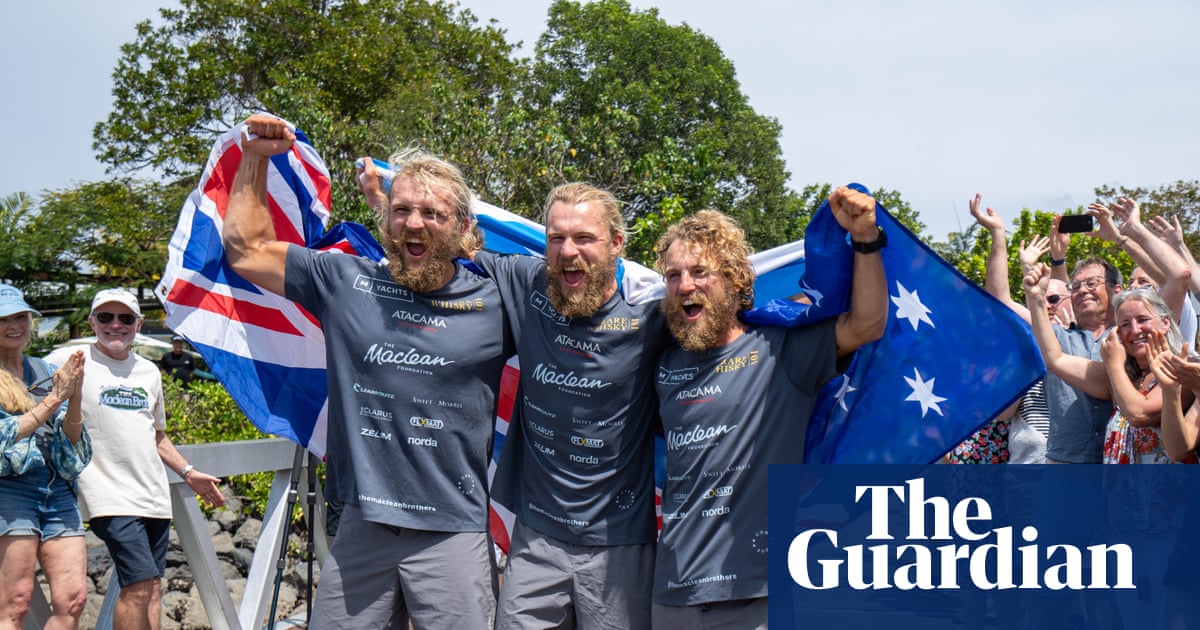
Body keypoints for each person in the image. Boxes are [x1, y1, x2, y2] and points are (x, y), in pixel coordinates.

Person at [226, 114, 513, 629]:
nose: (414, 222)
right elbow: (247, 251)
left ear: (466, 228)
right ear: (385, 221)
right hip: (363, 526)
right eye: (401, 211)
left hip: (453, 531)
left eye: (432, 213)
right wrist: (253, 158)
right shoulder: (343, 279)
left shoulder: (496, 298)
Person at [361, 160, 667, 627]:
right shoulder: (525, 284)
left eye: (584, 238)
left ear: (617, 244)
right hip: (536, 539)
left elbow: (721, 326)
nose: (569, 252)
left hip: (620, 544)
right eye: (557, 238)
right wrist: (383, 203)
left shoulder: (652, 325)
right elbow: (441, 243)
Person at [650, 194, 887, 627]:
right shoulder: (662, 365)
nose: (685, 285)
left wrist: (866, 239)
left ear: (736, 280)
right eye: (673, 275)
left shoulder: (781, 349)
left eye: (700, 271)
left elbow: (867, 323)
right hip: (673, 594)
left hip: (758, 593)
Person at [44, 288, 225, 630]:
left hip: (153, 494)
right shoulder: (65, 360)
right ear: (92, 322)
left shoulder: (148, 372)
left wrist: (188, 472)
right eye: (106, 317)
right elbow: (24, 397)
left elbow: (156, 434)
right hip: (106, 496)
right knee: (138, 585)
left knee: (152, 588)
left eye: (125, 318)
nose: (116, 325)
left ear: (138, 324)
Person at [0, 349, 87, 629]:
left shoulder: (44, 368)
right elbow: (4, 436)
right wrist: (54, 399)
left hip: (57, 487)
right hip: (10, 489)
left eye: (21, 317)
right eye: (4, 320)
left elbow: (71, 440)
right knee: (16, 601)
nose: (14, 326)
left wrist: (75, 396)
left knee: (74, 599)